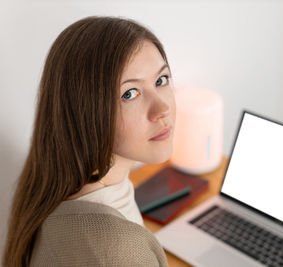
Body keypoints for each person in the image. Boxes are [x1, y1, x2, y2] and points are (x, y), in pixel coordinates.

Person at [2, 15, 175, 267]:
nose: (162, 108)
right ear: (86, 111)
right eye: (129, 94)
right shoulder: (117, 250)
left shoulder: (56, 185)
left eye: (161, 80)